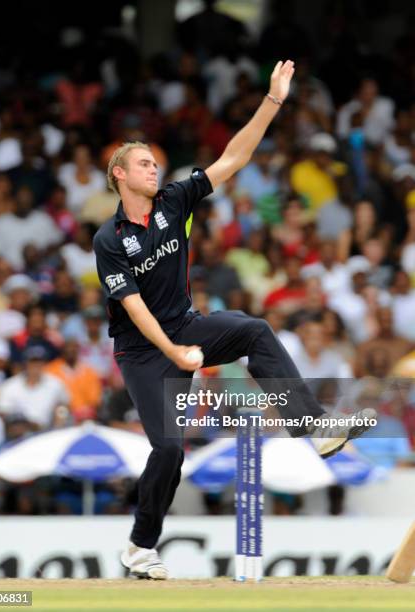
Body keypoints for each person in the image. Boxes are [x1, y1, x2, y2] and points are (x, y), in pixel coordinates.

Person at [93, 61, 374, 580]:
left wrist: (272, 101)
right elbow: (133, 307)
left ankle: (312, 426)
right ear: (120, 176)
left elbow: (234, 157)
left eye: (155, 163)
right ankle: (140, 547)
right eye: (144, 164)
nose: (155, 169)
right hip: (142, 351)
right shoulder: (109, 241)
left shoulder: (174, 202)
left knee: (253, 330)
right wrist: (175, 354)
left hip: (185, 327)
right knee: (169, 450)